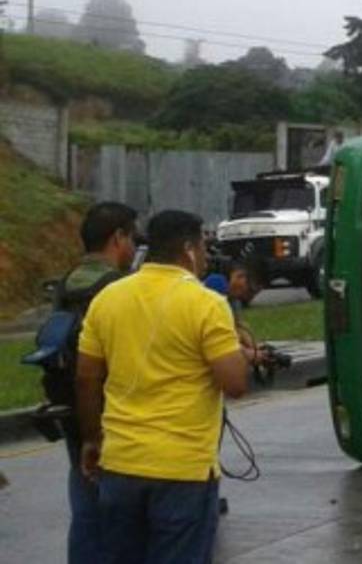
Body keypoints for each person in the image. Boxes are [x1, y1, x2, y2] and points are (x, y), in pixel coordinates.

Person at [75, 210, 251, 564]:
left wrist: (92, 439)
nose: (205, 258)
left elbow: (86, 378)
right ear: (188, 249)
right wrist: (243, 355)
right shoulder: (206, 303)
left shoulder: (108, 298)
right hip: (183, 471)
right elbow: (235, 384)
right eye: (202, 248)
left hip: (120, 465)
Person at [45, 202, 139, 564]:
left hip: (70, 403)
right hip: (112, 409)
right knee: (123, 516)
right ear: (118, 238)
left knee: (84, 508)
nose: (134, 248)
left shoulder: (67, 281)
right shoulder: (118, 286)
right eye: (132, 238)